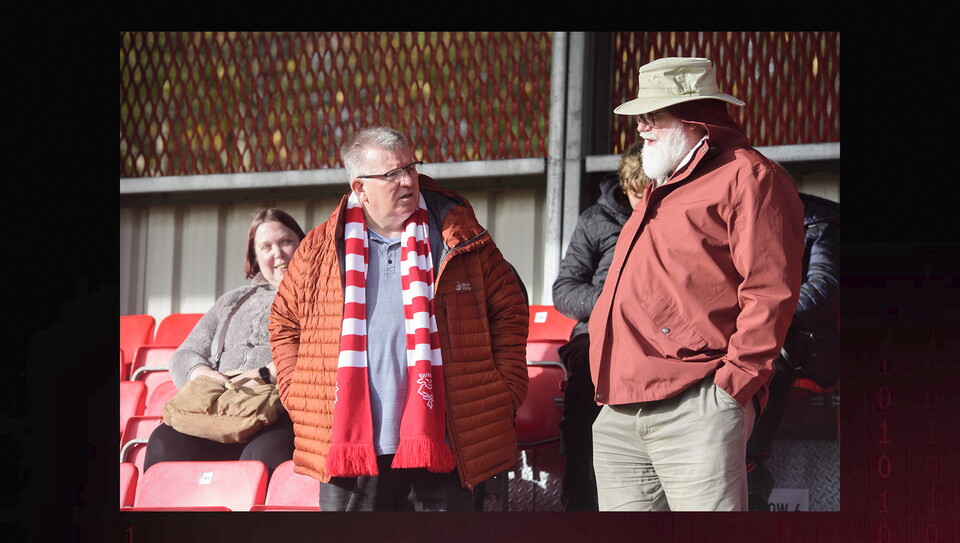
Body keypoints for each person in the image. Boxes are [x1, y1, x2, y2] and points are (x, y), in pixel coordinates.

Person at [269, 126, 529, 512]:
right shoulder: (320, 247)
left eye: (411, 167)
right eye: (392, 174)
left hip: (445, 442)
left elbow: (510, 308)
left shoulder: (459, 237)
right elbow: (283, 323)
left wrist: (504, 389)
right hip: (350, 449)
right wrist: (298, 392)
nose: (408, 180)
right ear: (360, 188)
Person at [588, 57, 805, 511]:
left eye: (654, 114)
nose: (641, 126)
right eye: (639, 116)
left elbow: (771, 290)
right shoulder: (663, 183)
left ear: (696, 115)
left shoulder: (749, 176)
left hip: (697, 403)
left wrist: (730, 390)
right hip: (619, 411)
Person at [144, 208, 307, 474]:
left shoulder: (320, 292)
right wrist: (204, 374)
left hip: (277, 407)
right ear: (255, 257)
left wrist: (268, 374)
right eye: (266, 247)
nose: (278, 253)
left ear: (303, 243)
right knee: (164, 443)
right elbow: (186, 354)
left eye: (286, 241)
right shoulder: (231, 300)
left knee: (263, 456)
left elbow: (324, 350)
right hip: (220, 403)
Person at [551, 140, 650, 511]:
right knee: (586, 383)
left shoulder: (673, 219)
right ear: (625, 187)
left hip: (656, 336)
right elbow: (564, 290)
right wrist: (614, 301)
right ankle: (578, 493)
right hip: (597, 332)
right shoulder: (597, 220)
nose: (645, 202)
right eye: (638, 194)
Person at [746, 191, 840, 510]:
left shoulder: (822, 227)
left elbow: (822, 294)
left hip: (810, 338)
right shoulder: (743, 224)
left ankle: (751, 464)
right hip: (756, 330)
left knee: (772, 354)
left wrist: (758, 320)